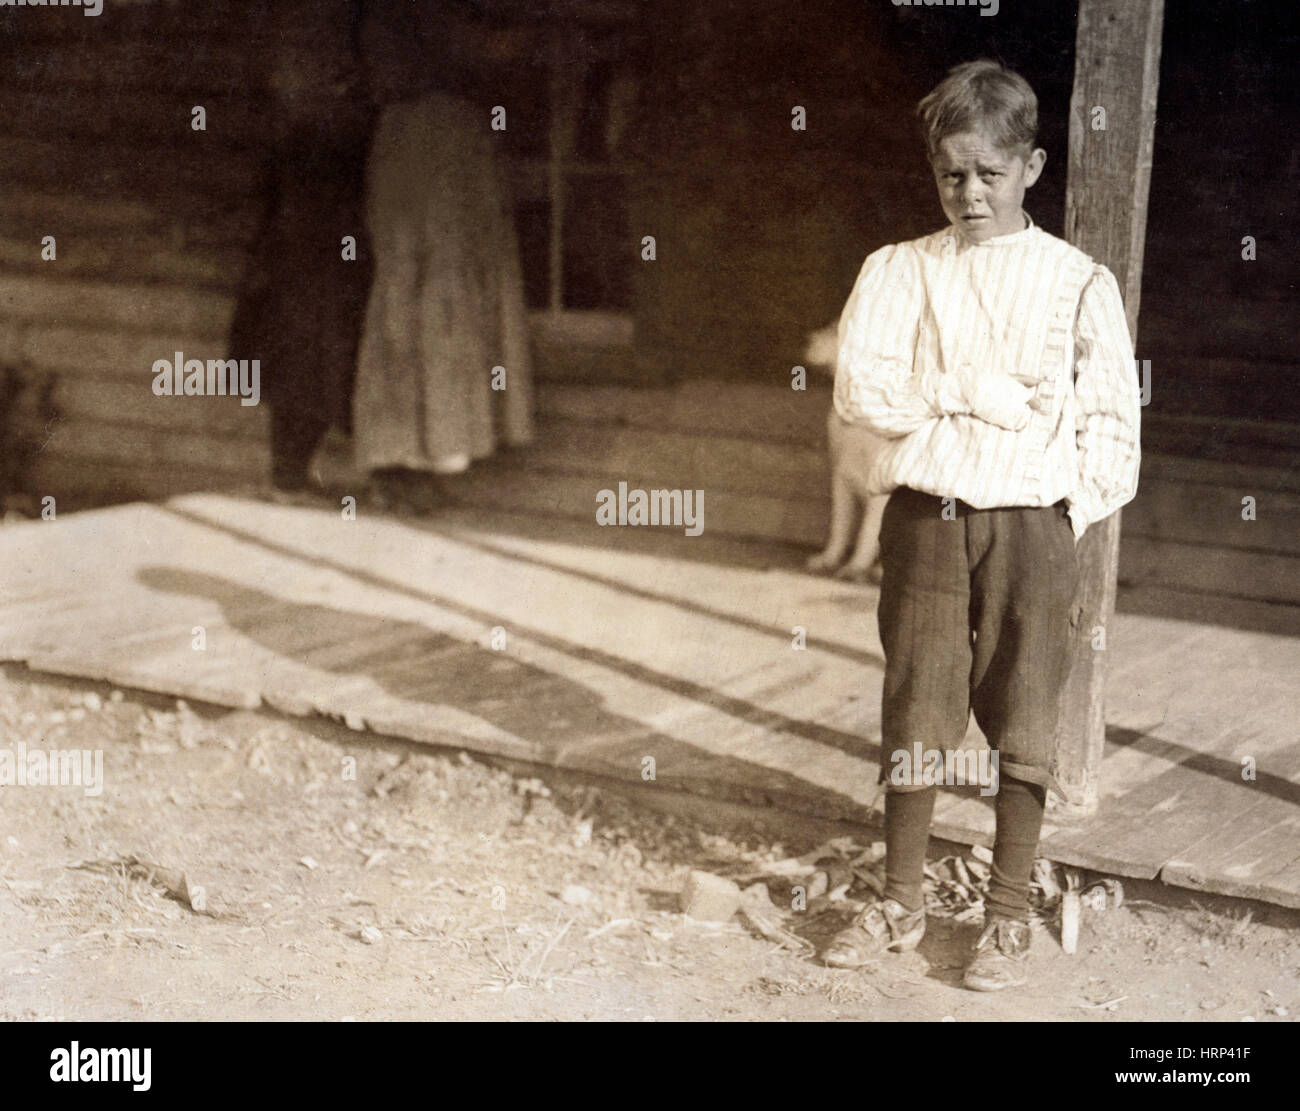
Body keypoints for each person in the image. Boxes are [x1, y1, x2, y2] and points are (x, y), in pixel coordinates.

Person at [821, 60, 1140, 990]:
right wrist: (966, 392)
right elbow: (862, 390)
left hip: (1032, 528)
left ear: (1031, 167)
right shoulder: (899, 270)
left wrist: (1059, 511)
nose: (968, 193)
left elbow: (1113, 425)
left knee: (1025, 709)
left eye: (988, 174)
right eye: (950, 173)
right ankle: (900, 896)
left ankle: (1005, 909)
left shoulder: (1077, 283)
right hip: (928, 519)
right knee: (919, 700)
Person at [354, 0, 535, 513]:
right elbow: (482, 50)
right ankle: (392, 461)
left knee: (453, 296)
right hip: (419, 149)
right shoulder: (398, 16)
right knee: (412, 297)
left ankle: (431, 453)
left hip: (457, 149)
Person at [228, 3, 373, 498]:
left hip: (329, 242)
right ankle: (288, 470)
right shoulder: (307, 113)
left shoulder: (334, 104)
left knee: (320, 353)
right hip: (304, 244)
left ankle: (296, 468)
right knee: (301, 354)